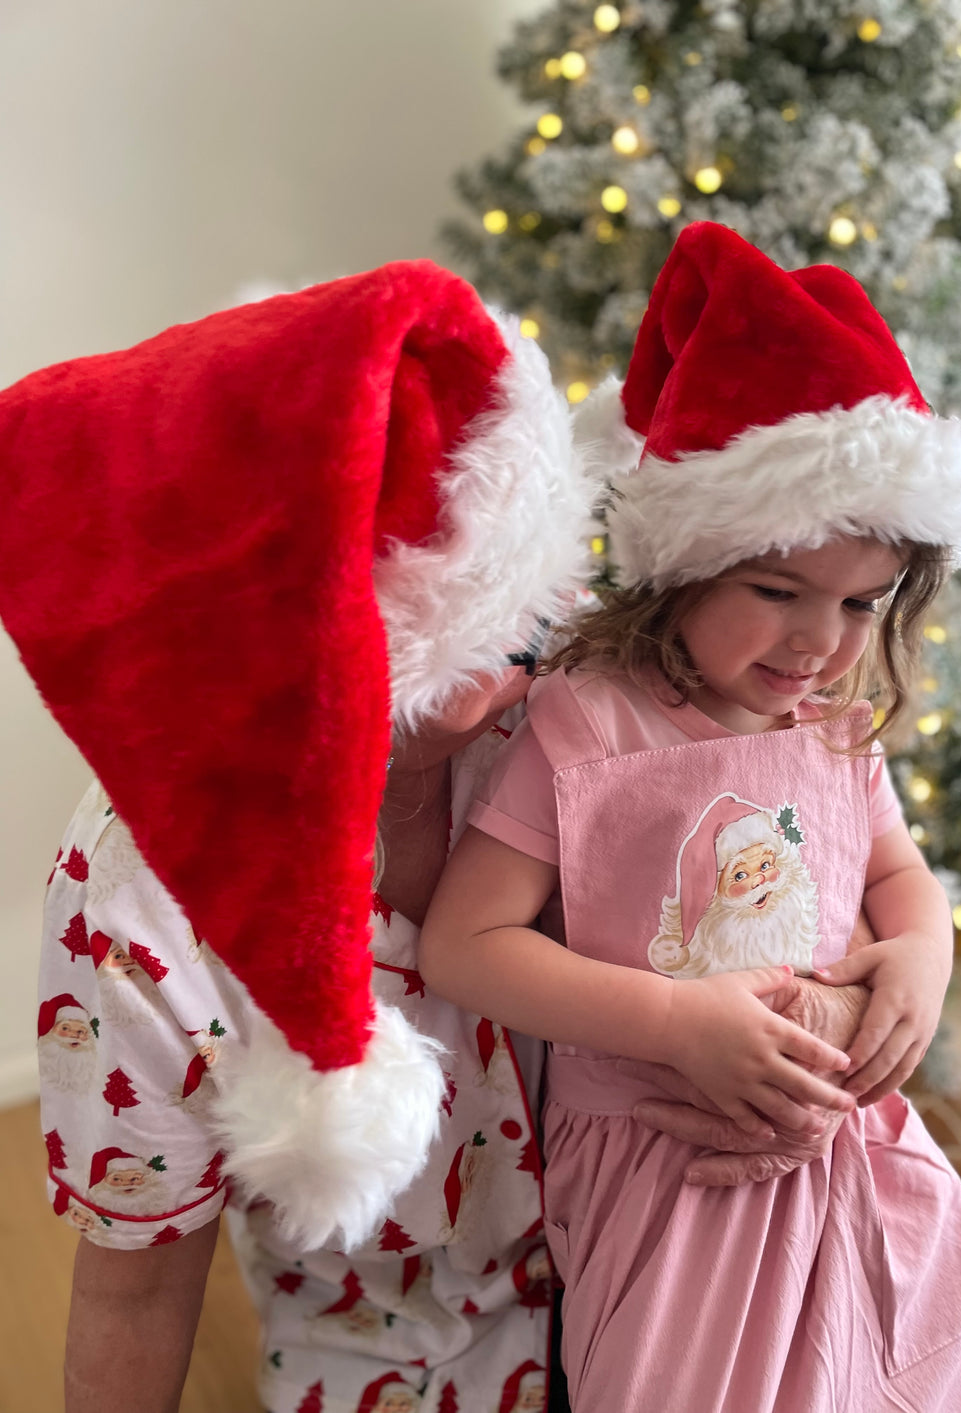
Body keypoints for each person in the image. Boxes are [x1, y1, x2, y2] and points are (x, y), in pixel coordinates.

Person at [0, 256, 864, 1413]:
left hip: (675, 1263)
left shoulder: (568, 707)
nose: (539, 671)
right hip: (383, 1349)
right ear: (333, 671)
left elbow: (798, 878)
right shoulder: (136, 907)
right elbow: (136, 1290)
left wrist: (873, 988)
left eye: (538, 618)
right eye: (496, 648)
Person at [420, 223, 961, 1410]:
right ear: (685, 563)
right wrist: (672, 1021)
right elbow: (469, 943)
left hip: (852, 1149)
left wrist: (921, 956)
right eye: (777, 592)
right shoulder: (590, 720)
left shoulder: (829, 725)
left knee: (950, 1372)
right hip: (672, 1162)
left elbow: (901, 878)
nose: (822, 640)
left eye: (863, 603)